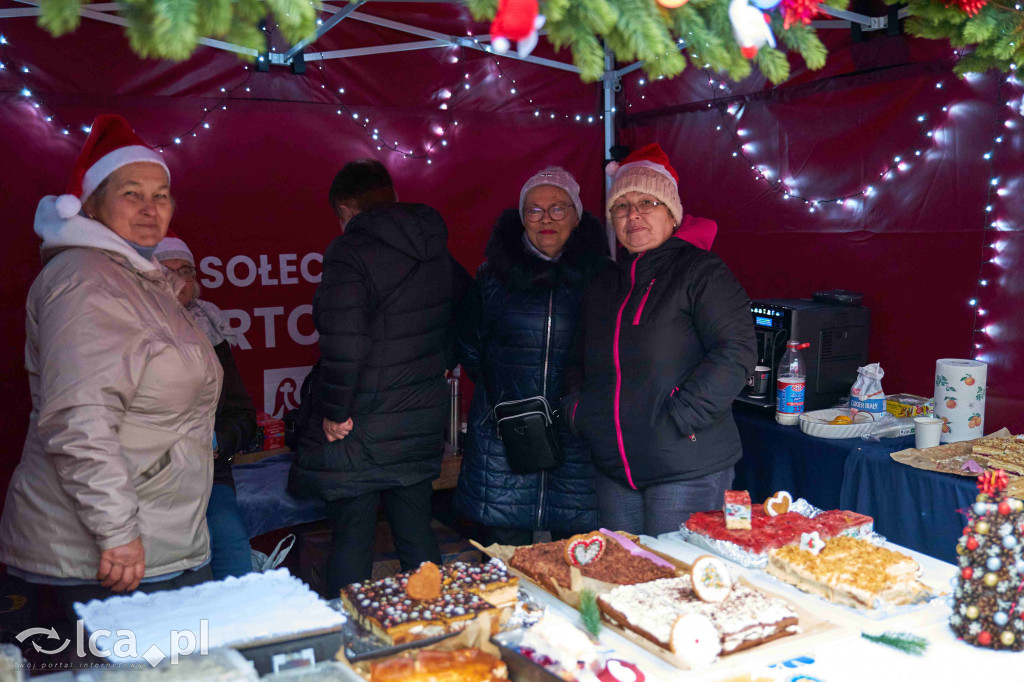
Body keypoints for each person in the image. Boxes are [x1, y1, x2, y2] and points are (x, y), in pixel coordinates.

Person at [0, 115, 221, 608]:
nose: (150, 208)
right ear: (93, 206)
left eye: (160, 194)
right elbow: (80, 417)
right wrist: (117, 530)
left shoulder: (135, 278)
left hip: (161, 534)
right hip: (108, 552)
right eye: (131, 193)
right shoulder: (85, 281)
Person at [567, 144, 756, 536]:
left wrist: (683, 415)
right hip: (615, 467)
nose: (633, 214)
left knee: (677, 583)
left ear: (672, 214)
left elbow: (736, 351)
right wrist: (579, 413)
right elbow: (575, 358)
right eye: (622, 206)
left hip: (684, 465)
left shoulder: (701, 272)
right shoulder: (604, 282)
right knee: (624, 579)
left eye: (648, 202)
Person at [288, 159, 454, 592]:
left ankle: (350, 644)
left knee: (352, 542)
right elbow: (469, 316)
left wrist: (334, 410)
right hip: (417, 419)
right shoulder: (433, 246)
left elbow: (345, 342)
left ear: (345, 206)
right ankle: (440, 633)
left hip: (359, 425)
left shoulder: (350, 251)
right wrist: (429, 369)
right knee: (418, 536)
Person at [454, 167, 608, 546]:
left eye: (558, 208)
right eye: (534, 210)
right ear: (522, 219)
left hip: (577, 439)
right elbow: (471, 349)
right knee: (505, 562)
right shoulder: (492, 277)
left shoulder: (604, 278)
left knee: (576, 562)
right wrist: (507, 399)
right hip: (504, 439)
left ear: (576, 214)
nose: (546, 219)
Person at [155, 234, 256, 580]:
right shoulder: (129, 332)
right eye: (167, 272)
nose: (179, 281)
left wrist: (214, 442)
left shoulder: (210, 330)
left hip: (209, 476)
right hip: (154, 481)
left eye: (186, 271)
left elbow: (243, 416)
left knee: (235, 561)